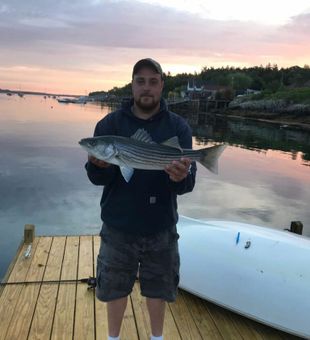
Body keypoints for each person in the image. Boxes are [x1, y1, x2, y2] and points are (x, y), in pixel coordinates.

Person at [85, 58, 197, 340]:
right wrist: (97, 165)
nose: (146, 88)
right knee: (114, 287)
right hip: (118, 225)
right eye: (140, 81)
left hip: (161, 226)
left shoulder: (178, 127)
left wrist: (180, 176)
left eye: (153, 81)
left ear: (162, 85)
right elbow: (97, 179)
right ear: (132, 84)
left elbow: (187, 185)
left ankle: (157, 338)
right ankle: (113, 338)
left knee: (159, 289)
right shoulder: (109, 124)